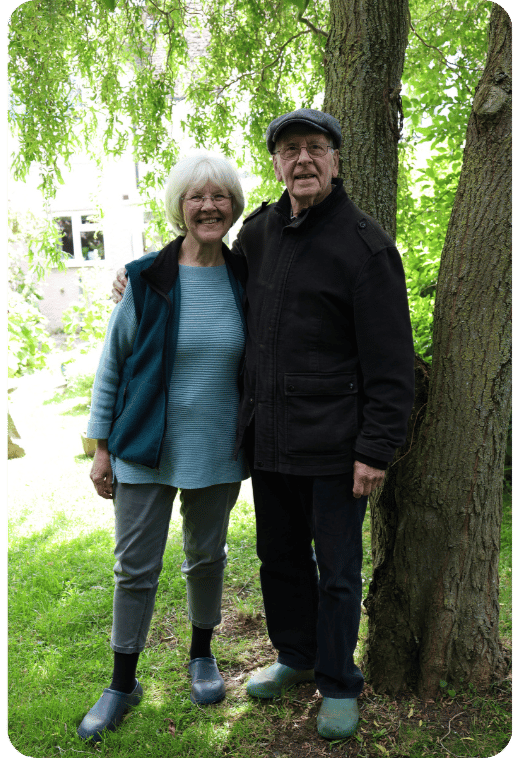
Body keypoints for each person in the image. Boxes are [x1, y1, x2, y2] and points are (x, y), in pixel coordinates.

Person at [113, 109, 415, 740]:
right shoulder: (260, 233)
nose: (303, 160)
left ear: (335, 159)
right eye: (290, 150)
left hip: (337, 446)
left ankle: (339, 682)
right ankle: (296, 657)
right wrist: (137, 273)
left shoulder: (366, 247)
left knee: (337, 572)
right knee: (279, 559)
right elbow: (201, 266)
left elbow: (391, 365)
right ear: (276, 165)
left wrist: (375, 450)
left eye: (315, 148)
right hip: (270, 441)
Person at [77, 154, 249, 743]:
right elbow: (112, 366)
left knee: (207, 556)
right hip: (143, 447)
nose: (209, 206)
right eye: (196, 197)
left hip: (218, 449)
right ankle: (121, 683)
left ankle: (202, 654)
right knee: (135, 568)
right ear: (179, 206)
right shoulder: (146, 278)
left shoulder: (247, 275)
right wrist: (101, 449)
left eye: (220, 196)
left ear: (234, 207)